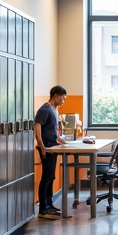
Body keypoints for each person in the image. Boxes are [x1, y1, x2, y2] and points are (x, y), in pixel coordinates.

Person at [34, 85, 68, 219]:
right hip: (46, 148)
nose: (63, 101)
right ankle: (43, 209)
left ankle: (49, 204)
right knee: (46, 178)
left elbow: (52, 129)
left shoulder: (54, 110)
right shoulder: (45, 109)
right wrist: (42, 146)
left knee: (51, 177)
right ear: (56, 96)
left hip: (53, 147)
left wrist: (59, 139)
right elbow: (37, 127)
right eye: (63, 98)